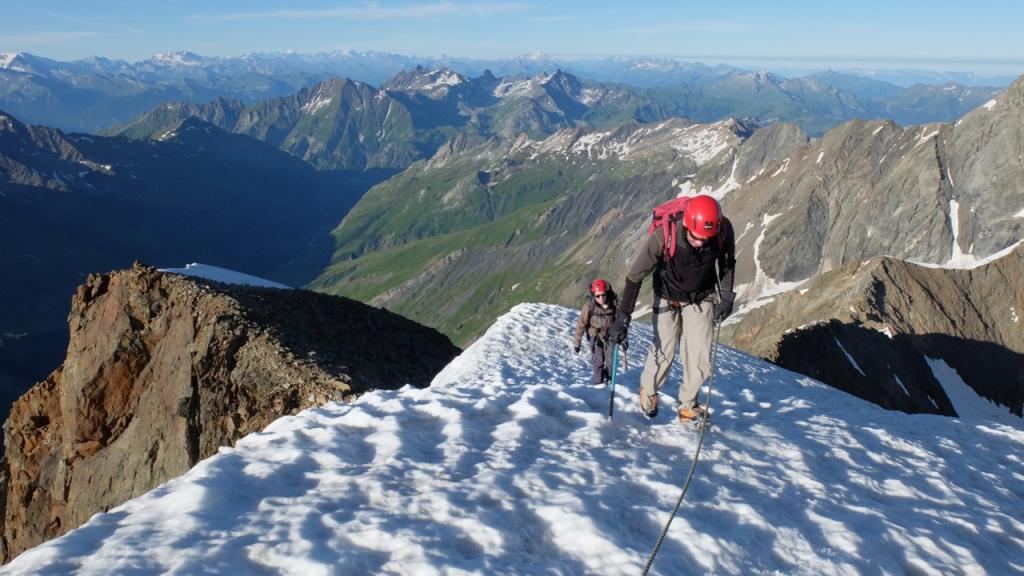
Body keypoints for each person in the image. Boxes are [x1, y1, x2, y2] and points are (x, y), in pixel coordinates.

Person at [607, 195, 736, 421]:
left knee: (699, 354)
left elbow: (726, 262)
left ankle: (688, 404)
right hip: (667, 294)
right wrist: (623, 316)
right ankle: (648, 390)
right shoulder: (664, 235)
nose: (701, 243)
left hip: (701, 295)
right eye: (696, 238)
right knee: (663, 349)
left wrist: (727, 296)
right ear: (687, 225)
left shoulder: (722, 231)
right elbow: (635, 276)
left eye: (707, 238)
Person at [573, 279, 620, 386]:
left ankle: (609, 381)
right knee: (598, 363)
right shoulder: (589, 306)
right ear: (594, 295)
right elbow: (581, 323)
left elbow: (621, 323)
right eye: (598, 296)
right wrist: (577, 341)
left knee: (611, 362)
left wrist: (624, 338)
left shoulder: (614, 303)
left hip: (611, 336)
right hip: (595, 336)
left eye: (603, 295)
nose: (601, 298)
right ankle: (598, 384)